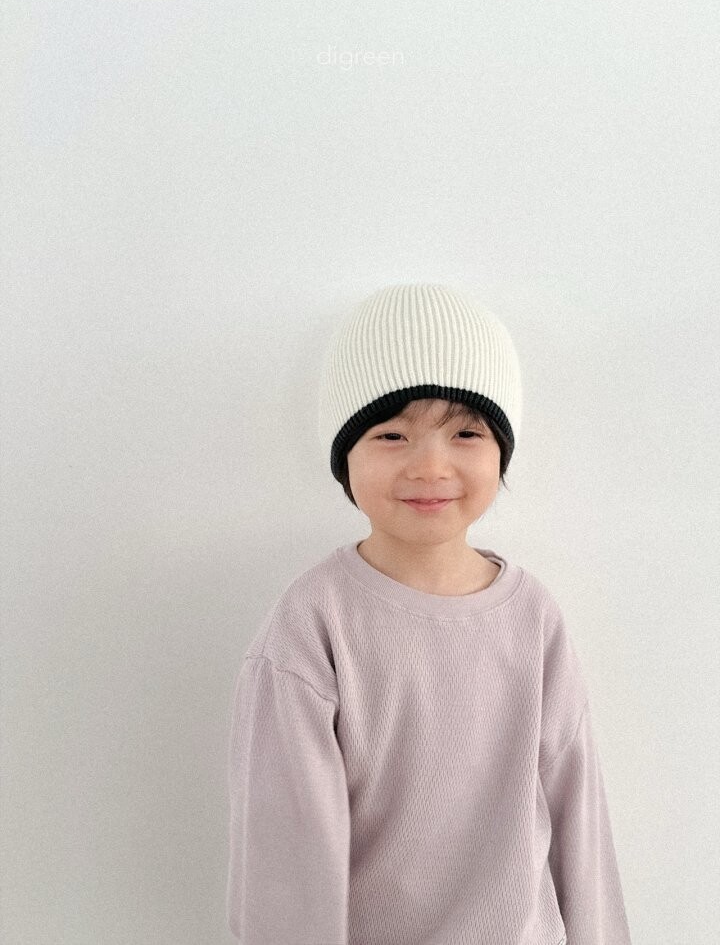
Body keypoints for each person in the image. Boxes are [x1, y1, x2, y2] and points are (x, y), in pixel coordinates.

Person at [225, 283, 632, 944]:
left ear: (501, 450)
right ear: (345, 454)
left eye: (466, 432)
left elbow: (579, 814)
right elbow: (284, 858)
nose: (430, 466)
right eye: (392, 433)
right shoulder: (313, 623)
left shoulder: (533, 616)